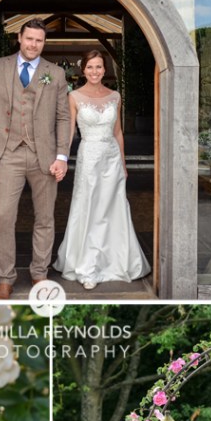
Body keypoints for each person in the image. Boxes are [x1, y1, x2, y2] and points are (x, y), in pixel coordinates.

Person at [0, 18, 70, 299]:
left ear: (43, 43)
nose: (34, 44)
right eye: (29, 38)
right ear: (19, 38)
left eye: (39, 40)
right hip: (7, 153)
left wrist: (61, 156)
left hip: (43, 156)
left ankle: (39, 274)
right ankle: (5, 278)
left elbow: (63, 117)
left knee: (45, 218)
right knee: (4, 216)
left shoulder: (55, 74)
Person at [53, 50, 150, 290]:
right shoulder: (74, 96)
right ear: (83, 70)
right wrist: (62, 157)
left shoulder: (115, 96)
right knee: (91, 209)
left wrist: (124, 165)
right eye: (90, 67)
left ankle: (118, 262)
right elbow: (69, 132)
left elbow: (117, 132)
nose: (94, 71)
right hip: (89, 158)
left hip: (112, 159)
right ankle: (89, 266)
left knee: (114, 209)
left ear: (104, 70)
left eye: (99, 67)